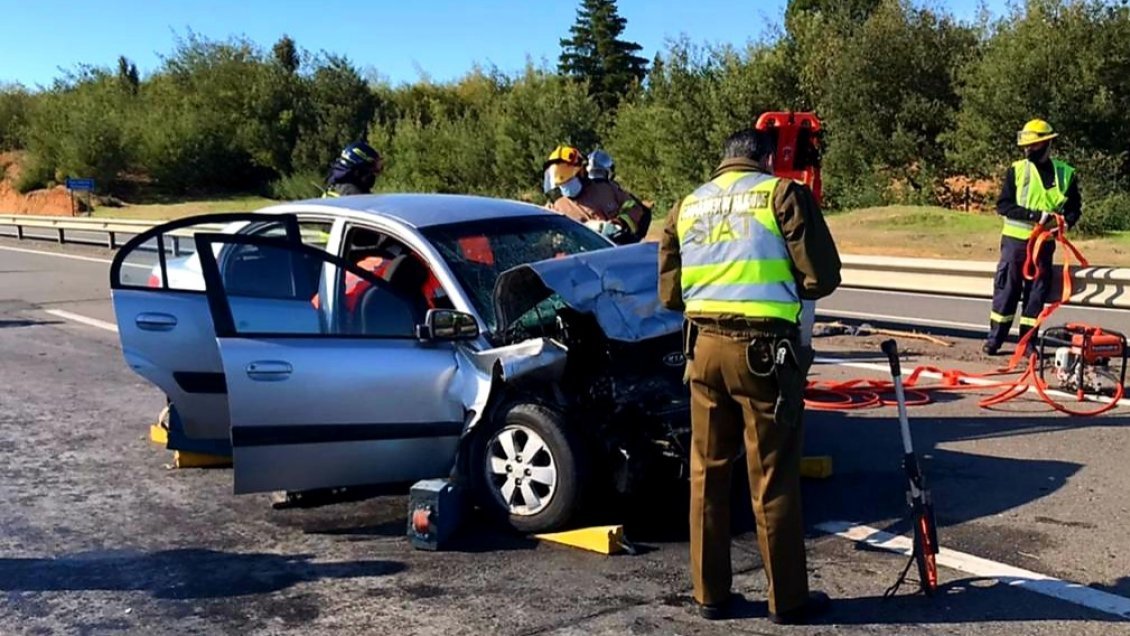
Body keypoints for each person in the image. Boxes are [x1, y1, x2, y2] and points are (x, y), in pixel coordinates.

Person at [658, 128, 842, 623]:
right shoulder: (780, 193)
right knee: (772, 477)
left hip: (702, 351)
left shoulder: (687, 205)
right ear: (761, 157)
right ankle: (787, 601)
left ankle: (710, 595)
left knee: (706, 475)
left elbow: (670, 295)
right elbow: (822, 276)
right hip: (763, 354)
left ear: (723, 160)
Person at [983, 119, 1081, 356]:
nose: (1029, 150)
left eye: (1035, 146)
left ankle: (1027, 342)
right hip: (1015, 245)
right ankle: (995, 339)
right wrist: (1035, 215)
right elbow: (1004, 206)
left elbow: (1074, 208)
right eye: (1027, 146)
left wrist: (1065, 222)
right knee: (1007, 292)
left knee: (1036, 296)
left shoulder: (1066, 174)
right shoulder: (1017, 170)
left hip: (1044, 246)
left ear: (1047, 144)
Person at [542, 145, 650, 244]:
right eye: (562, 184)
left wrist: (619, 223)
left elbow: (633, 206)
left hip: (623, 248)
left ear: (581, 171)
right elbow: (552, 241)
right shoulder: (558, 209)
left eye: (570, 180)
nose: (566, 186)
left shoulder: (606, 188)